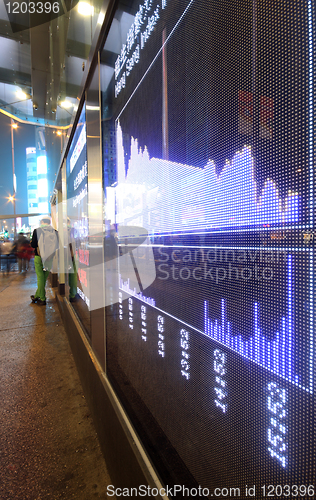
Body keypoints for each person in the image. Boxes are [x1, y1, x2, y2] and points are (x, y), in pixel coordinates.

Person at [30, 216, 58, 305]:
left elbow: (34, 245)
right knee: (44, 278)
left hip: (39, 257)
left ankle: (42, 298)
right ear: (49, 222)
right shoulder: (55, 232)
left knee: (40, 277)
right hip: (49, 258)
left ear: (42, 221)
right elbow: (57, 245)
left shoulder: (37, 231)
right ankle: (37, 295)